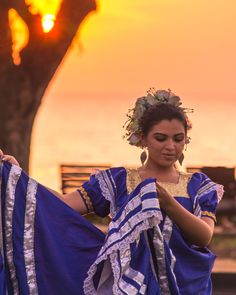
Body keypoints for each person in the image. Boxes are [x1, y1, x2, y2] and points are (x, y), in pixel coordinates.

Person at [0, 88, 223, 295]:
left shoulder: (198, 186)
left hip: (188, 285)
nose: (171, 146)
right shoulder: (118, 181)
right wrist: (19, 177)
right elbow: (62, 205)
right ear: (143, 138)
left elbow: (204, 236)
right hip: (130, 285)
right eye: (160, 138)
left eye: (178, 138)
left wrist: (168, 204)